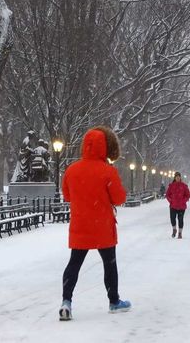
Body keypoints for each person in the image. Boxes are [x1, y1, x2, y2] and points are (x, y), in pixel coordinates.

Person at [59, 126, 131, 321]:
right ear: (104, 147)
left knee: (74, 264)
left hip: (80, 224)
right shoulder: (108, 171)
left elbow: (67, 195)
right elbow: (118, 198)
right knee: (109, 264)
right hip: (102, 226)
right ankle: (114, 301)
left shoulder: (71, 170)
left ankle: (66, 301)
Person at [165, 172, 190, 239]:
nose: (177, 178)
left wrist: (183, 200)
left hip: (181, 206)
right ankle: (174, 229)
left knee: (180, 219)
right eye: (176, 177)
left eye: (179, 177)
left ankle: (180, 233)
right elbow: (167, 194)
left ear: (180, 178)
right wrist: (170, 200)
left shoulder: (184, 186)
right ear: (174, 178)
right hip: (173, 205)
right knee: (172, 219)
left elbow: (187, 195)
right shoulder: (171, 186)